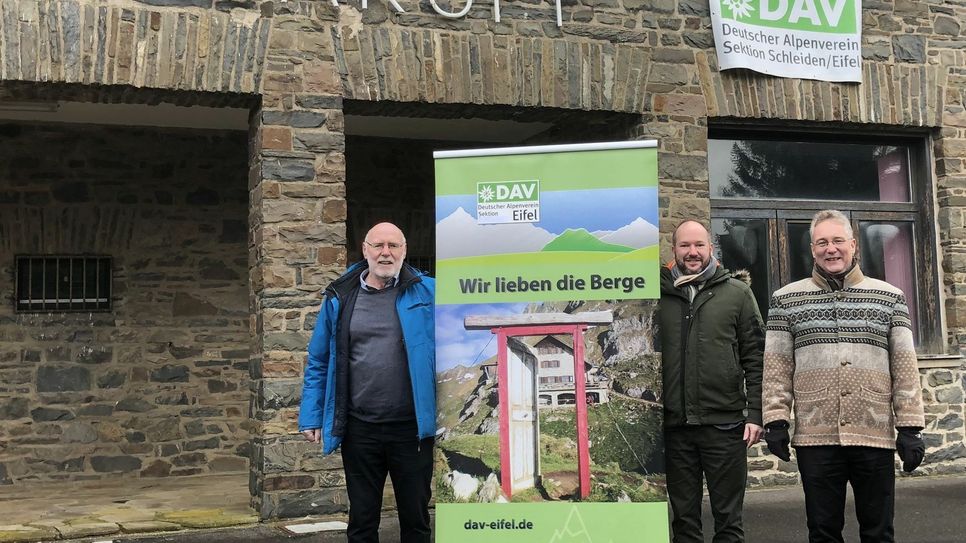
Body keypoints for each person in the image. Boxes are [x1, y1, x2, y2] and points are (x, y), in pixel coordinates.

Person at [762, 209, 925, 543]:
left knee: (879, 532)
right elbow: (777, 367)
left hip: (873, 433)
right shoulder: (785, 300)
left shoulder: (890, 297)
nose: (830, 249)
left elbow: (905, 366)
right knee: (822, 532)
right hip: (815, 437)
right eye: (822, 242)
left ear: (853, 245)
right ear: (812, 249)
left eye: (838, 240)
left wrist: (910, 427)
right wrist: (775, 421)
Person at [298, 222, 436, 543]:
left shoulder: (431, 293)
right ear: (365, 250)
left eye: (393, 246)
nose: (385, 253)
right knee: (361, 521)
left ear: (404, 251)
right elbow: (319, 359)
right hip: (360, 429)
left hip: (412, 429)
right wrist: (311, 414)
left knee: (416, 521)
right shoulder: (339, 297)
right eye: (378, 245)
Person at [658, 220, 765, 543]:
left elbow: (756, 357)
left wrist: (756, 414)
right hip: (674, 429)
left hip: (725, 425)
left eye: (699, 245)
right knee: (684, 525)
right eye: (685, 246)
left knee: (729, 523)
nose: (692, 252)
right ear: (673, 249)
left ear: (711, 248)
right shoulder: (655, 296)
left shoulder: (738, 294)